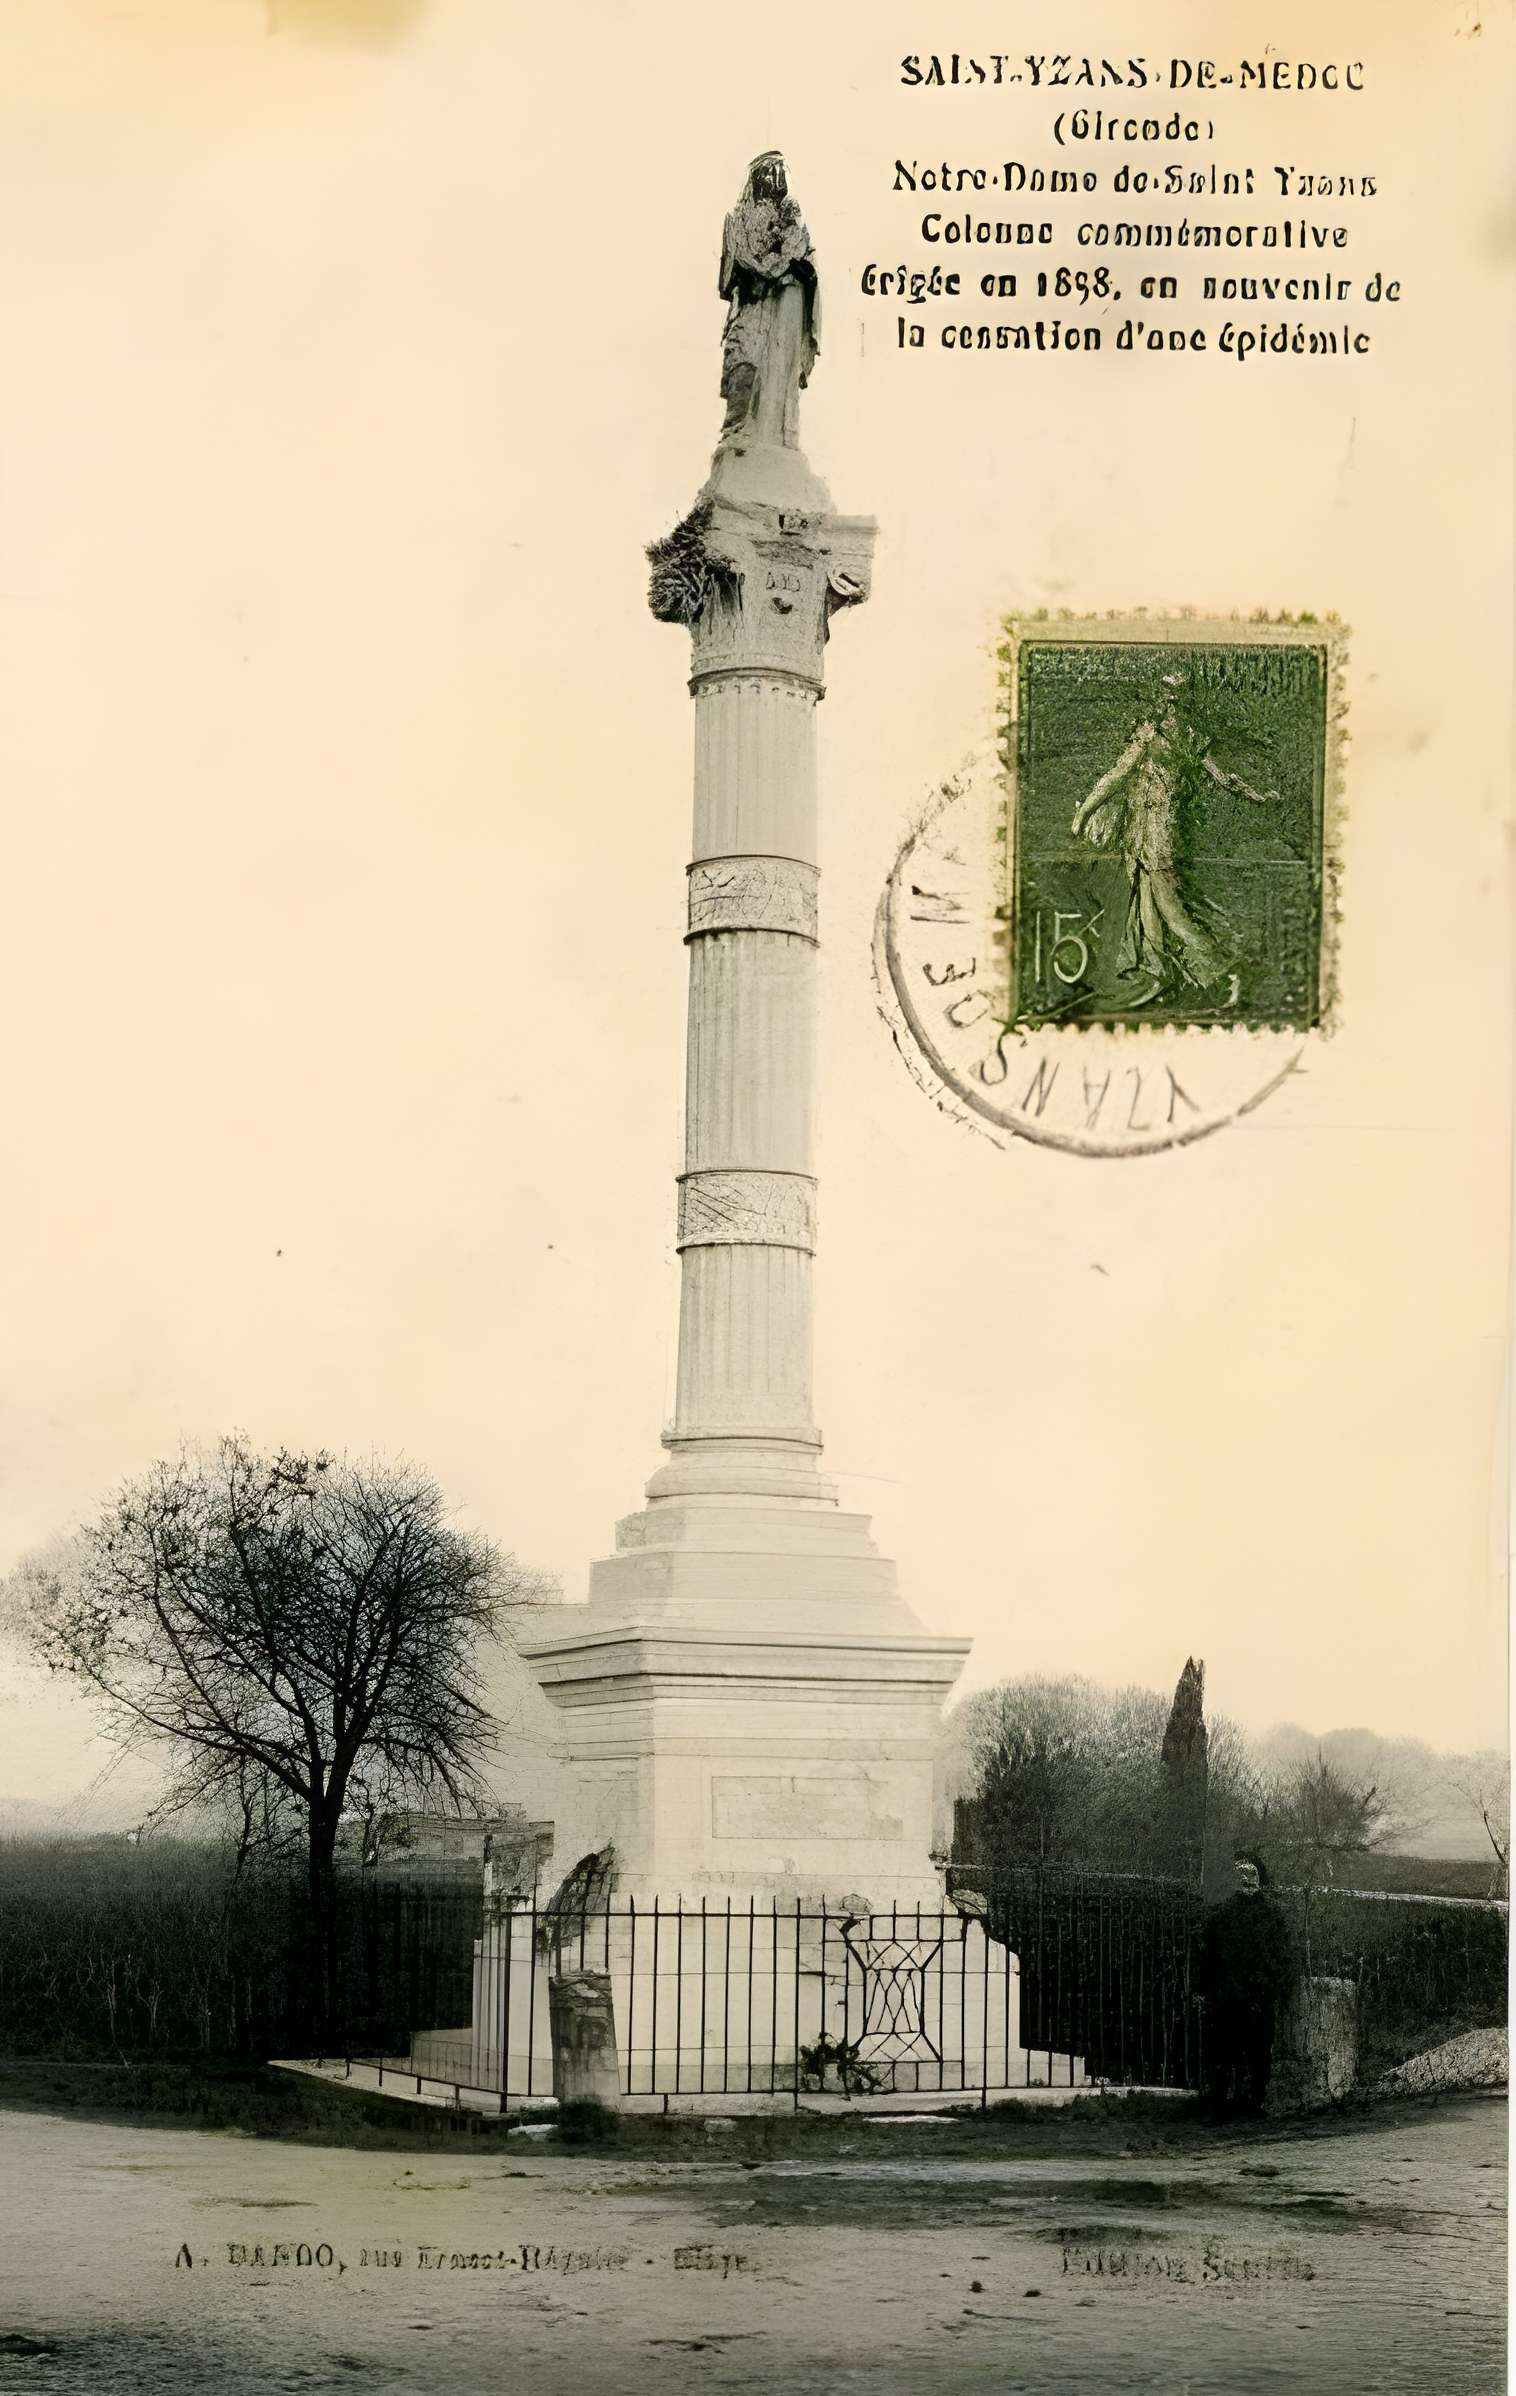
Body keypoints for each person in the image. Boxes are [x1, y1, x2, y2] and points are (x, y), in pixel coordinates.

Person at [1069, 672, 1278, 1005]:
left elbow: (1118, 776)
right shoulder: (1174, 735)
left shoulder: (1172, 736)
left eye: (1175, 697)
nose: (1172, 704)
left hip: (1158, 837)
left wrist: (1082, 814)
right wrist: (1257, 794)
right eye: (1169, 697)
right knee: (1148, 907)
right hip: (1144, 835)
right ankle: (1159, 977)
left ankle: (1227, 971)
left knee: (1172, 911)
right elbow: (1223, 777)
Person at [1197, 1852, 1295, 2119]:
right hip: (1226, 1997)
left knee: (1259, 2052)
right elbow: (1207, 1957)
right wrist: (1207, 1990)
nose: (1248, 1881)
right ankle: (1218, 2103)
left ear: (1261, 1880)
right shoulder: (1221, 1916)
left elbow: (1282, 1957)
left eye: (1252, 1875)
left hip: (1259, 1997)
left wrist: (1274, 1988)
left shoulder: (1273, 1917)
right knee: (1223, 2051)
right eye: (1242, 1876)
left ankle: (1253, 2103)